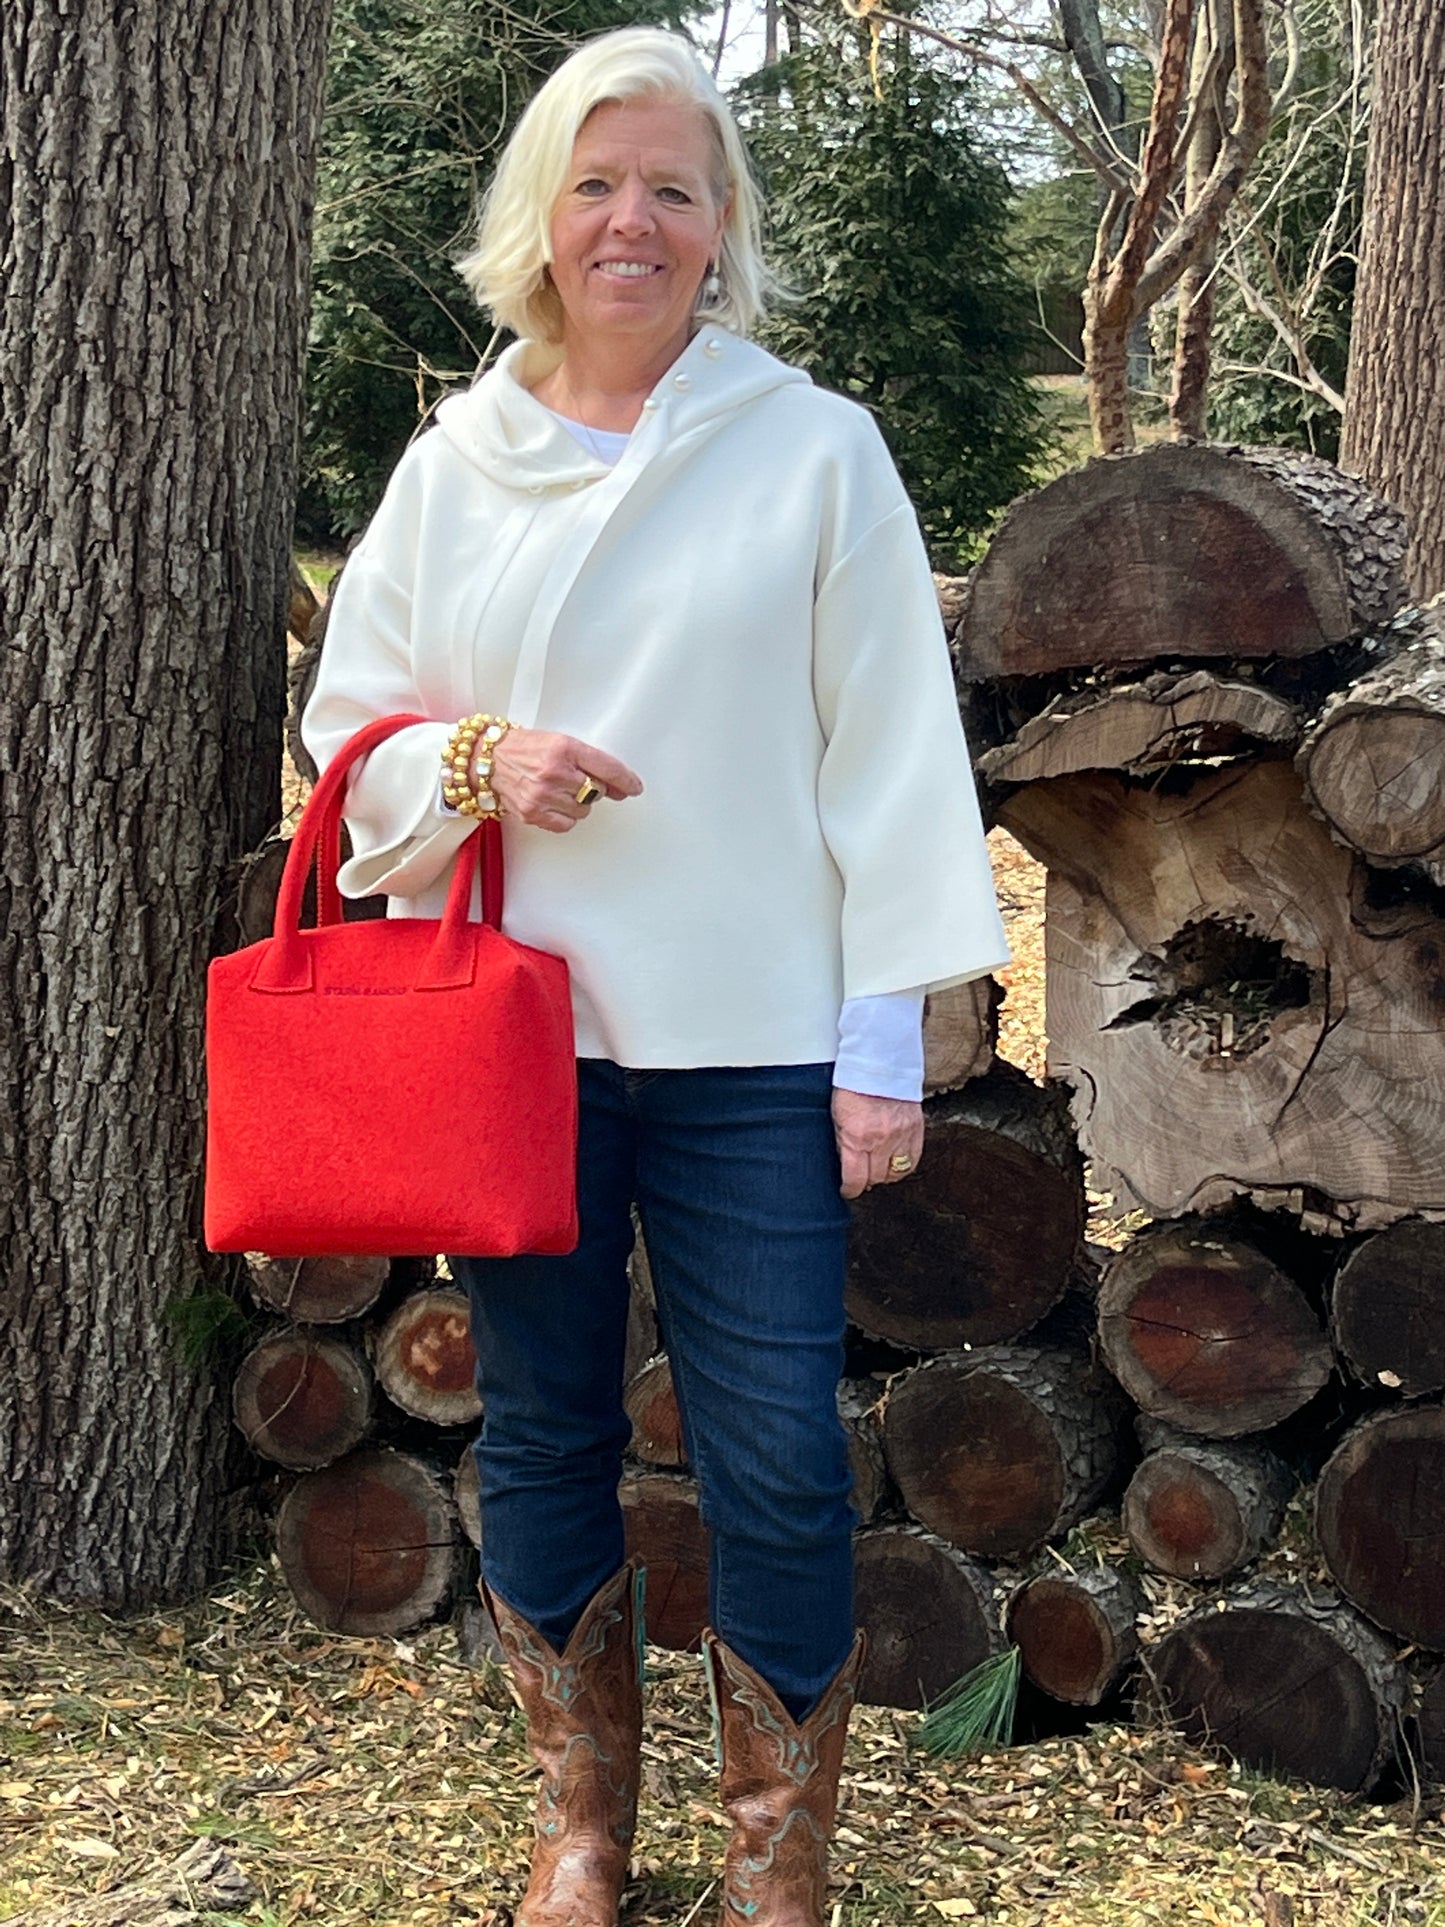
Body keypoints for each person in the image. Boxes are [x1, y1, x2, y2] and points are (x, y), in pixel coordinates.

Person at [302, 26, 1008, 1927]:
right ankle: (580, 1833)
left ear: (719, 231)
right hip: (514, 1041)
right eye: (598, 183)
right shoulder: (457, 464)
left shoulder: (810, 449)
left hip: (756, 1044)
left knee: (777, 1451)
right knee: (544, 1428)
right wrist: (477, 762)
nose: (634, 221)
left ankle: (778, 1853)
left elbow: (889, 755)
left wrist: (880, 1047)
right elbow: (346, 731)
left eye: (674, 190)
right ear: (544, 214)